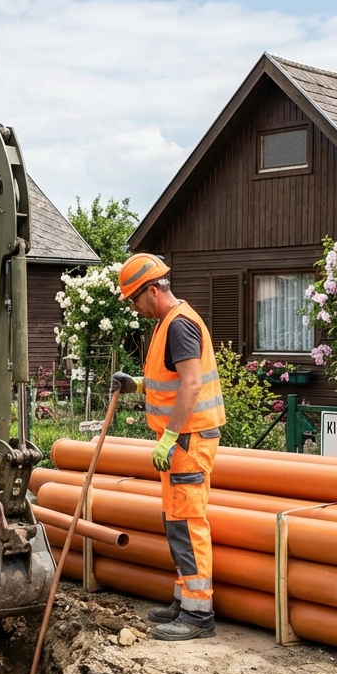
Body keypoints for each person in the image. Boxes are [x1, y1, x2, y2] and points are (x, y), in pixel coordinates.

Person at [111, 253, 226, 641]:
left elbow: (192, 385)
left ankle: (198, 614)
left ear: (153, 290)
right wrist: (137, 386)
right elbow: (172, 381)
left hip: (188, 440)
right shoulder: (166, 324)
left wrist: (170, 436)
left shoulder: (179, 325)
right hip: (182, 441)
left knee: (188, 522)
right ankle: (184, 600)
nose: (133, 307)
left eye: (134, 299)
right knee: (175, 521)